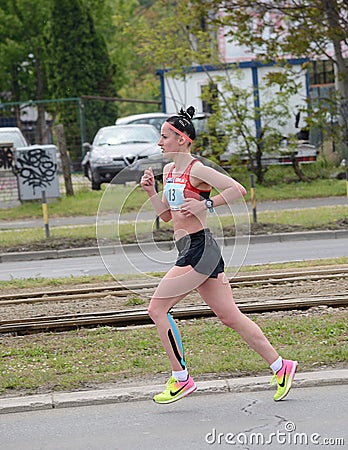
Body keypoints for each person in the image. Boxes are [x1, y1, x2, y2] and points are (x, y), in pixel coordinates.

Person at [140, 106, 297, 404]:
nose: (159, 143)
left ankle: (181, 379)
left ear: (183, 139)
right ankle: (281, 366)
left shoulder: (197, 169)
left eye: (164, 137)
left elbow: (237, 189)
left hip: (199, 249)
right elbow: (167, 217)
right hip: (192, 249)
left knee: (157, 310)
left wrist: (206, 205)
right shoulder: (168, 171)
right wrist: (150, 192)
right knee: (229, 316)